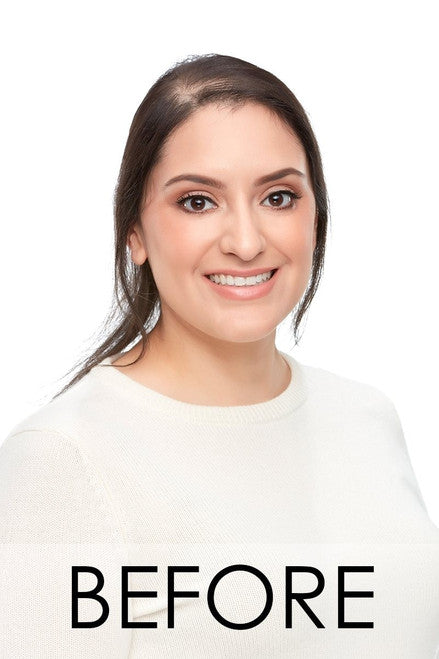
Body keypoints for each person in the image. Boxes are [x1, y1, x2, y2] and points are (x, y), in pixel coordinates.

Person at [1, 53, 438, 658]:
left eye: (278, 197)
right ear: (134, 231)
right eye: (197, 201)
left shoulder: (368, 418)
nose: (246, 242)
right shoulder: (64, 461)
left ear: (316, 214)